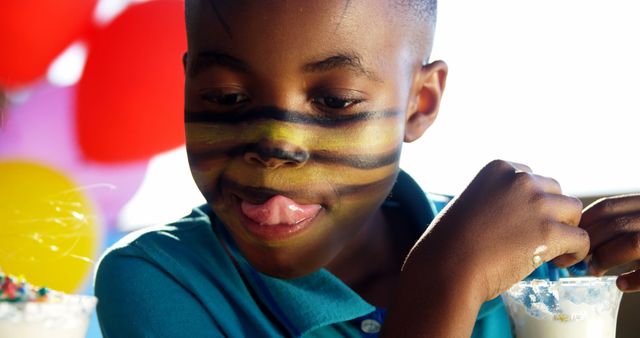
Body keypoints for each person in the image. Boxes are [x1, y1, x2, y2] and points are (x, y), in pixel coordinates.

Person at [95, 0, 640, 337]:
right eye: (227, 96)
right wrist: (444, 282)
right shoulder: (159, 281)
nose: (275, 146)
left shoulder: (525, 265)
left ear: (419, 103)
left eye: (335, 102)